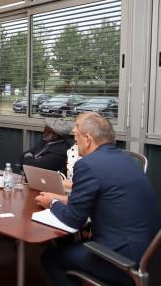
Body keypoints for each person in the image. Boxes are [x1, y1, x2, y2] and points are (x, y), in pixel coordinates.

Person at [35, 113, 161, 286]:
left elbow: (73, 221)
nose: (74, 140)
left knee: (50, 258)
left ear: (88, 139)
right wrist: (63, 199)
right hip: (149, 255)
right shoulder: (128, 160)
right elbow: (106, 197)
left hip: (122, 259)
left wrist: (52, 203)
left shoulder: (87, 164)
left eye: (76, 136)